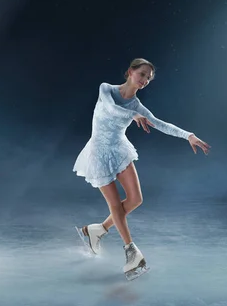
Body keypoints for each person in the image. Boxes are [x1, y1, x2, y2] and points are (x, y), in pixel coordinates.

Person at [73, 58, 211, 280]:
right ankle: (131, 252)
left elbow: (160, 124)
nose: (145, 80)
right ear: (130, 72)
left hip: (119, 150)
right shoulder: (106, 89)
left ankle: (96, 231)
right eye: (143, 74)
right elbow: (112, 108)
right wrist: (133, 115)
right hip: (98, 153)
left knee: (136, 199)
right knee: (115, 205)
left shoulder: (137, 106)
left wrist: (189, 136)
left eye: (149, 78)